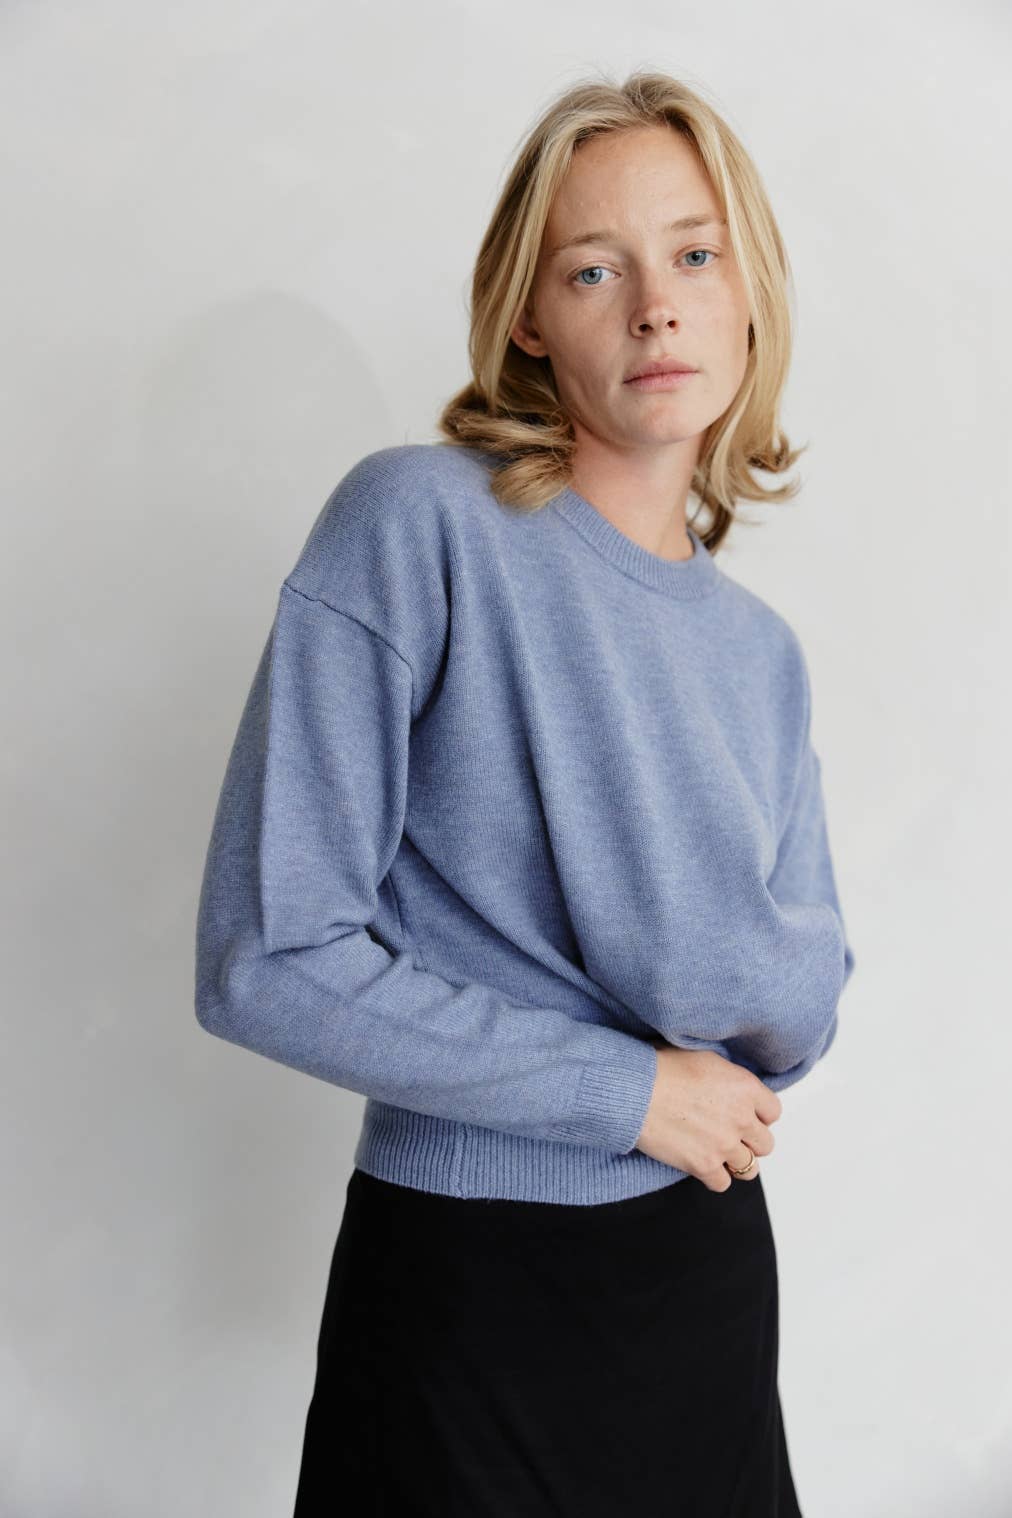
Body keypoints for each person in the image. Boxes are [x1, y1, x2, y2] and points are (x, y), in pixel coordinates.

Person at [194, 68, 856, 1517]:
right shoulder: (417, 525)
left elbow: (798, 1014)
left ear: (751, 294)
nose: (657, 308)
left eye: (695, 255)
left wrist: (696, 1029)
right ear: (529, 318)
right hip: (470, 1283)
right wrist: (631, 1083)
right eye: (594, 268)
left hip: (707, 1276)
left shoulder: (761, 654)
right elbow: (265, 957)